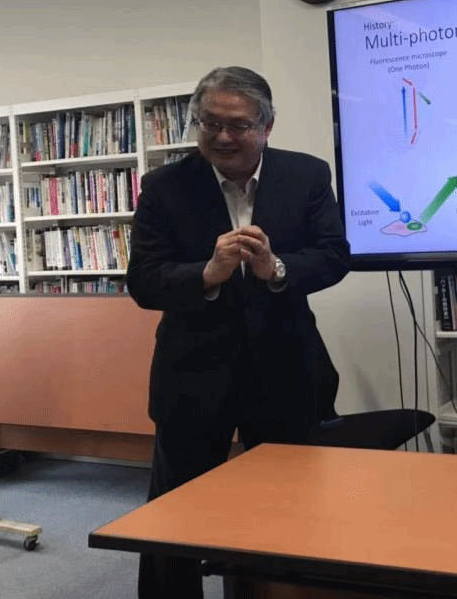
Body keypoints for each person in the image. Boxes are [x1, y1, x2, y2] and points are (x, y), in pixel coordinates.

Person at [126, 66, 351, 599]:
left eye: (239, 125)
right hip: (193, 375)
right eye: (210, 123)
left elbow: (333, 256)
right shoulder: (164, 186)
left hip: (287, 370)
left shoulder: (307, 175)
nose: (222, 136)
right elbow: (144, 281)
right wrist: (207, 274)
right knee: (174, 515)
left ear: (266, 127)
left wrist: (276, 268)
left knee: (292, 509)